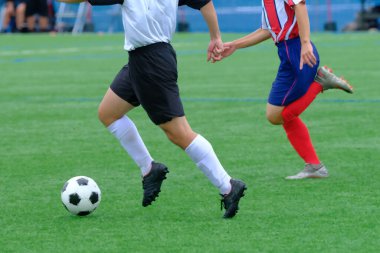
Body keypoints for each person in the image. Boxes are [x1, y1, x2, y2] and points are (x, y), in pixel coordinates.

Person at [58, 0, 247, 218]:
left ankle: (228, 186)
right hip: (145, 59)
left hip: (151, 63)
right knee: (108, 113)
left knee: (179, 133)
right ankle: (149, 169)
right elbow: (205, 2)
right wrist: (215, 37)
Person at [215, 0, 353, 179]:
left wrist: (305, 44)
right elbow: (268, 30)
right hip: (288, 55)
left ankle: (320, 82)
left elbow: (300, 5)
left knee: (277, 115)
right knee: (278, 115)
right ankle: (314, 166)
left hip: (298, 53)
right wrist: (235, 45)